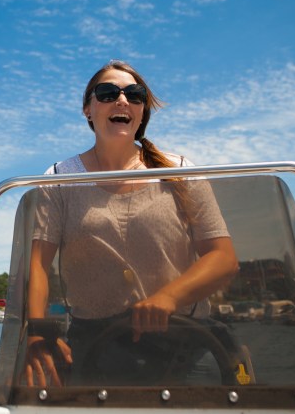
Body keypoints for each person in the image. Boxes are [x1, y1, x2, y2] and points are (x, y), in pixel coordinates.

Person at [24, 60, 239, 387]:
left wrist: (167, 299)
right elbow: (38, 264)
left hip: (185, 342)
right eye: (108, 93)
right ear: (88, 109)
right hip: (94, 345)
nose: (122, 100)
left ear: (141, 113)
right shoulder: (58, 179)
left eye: (134, 95)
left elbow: (223, 258)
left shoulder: (179, 170)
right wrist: (36, 337)